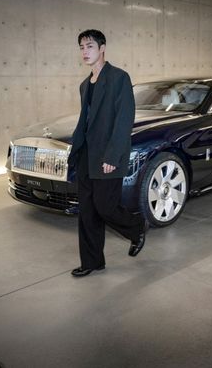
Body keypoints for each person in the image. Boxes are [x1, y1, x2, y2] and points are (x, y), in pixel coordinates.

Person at [67, 29, 147, 278]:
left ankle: (136, 227)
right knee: (87, 212)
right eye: (81, 47)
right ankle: (92, 262)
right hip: (86, 156)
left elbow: (124, 120)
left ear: (102, 48)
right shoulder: (84, 85)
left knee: (105, 207)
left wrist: (113, 156)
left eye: (89, 46)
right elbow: (86, 121)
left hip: (107, 155)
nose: (85, 52)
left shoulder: (119, 78)